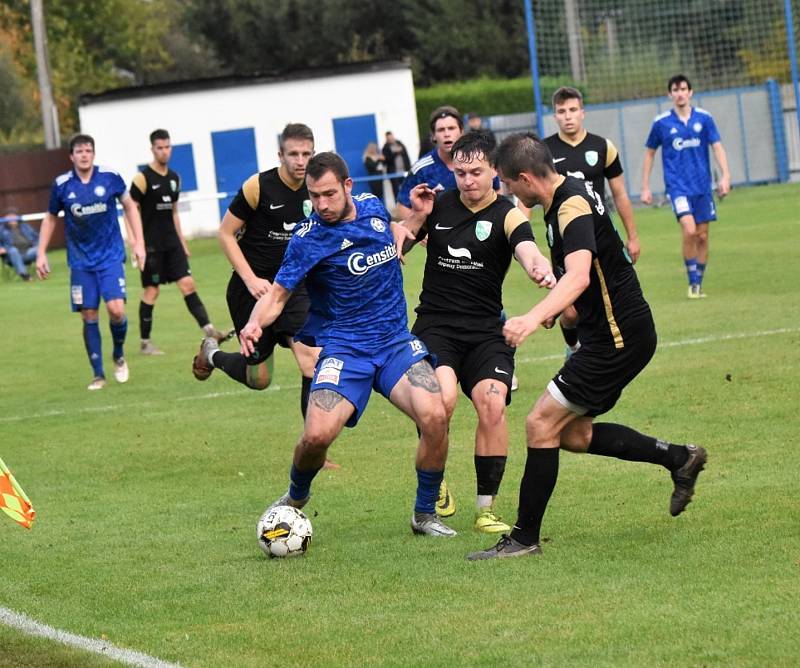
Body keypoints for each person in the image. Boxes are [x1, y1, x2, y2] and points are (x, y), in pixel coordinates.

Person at [467, 133, 707, 560]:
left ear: (525, 178)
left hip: (619, 337)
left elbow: (579, 277)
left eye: (506, 183)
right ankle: (678, 458)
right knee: (572, 434)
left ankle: (523, 539)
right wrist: (563, 307)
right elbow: (584, 278)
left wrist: (532, 317)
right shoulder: (562, 197)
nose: (507, 192)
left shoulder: (570, 205)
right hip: (611, 332)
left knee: (540, 423)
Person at [239, 152, 455, 538]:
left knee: (436, 416)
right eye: (314, 196)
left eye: (328, 195)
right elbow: (276, 295)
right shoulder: (309, 238)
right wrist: (254, 324)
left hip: (394, 343)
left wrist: (416, 219)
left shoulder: (373, 208)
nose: (321, 205)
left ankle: (424, 514)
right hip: (345, 349)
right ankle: (295, 498)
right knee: (316, 437)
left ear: (348, 186)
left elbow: (391, 247)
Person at [396, 131, 555, 534]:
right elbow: (398, 248)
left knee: (493, 403)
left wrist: (538, 266)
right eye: (460, 172)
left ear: (494, 173)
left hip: (486, 331)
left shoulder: (509, 214)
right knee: (443, 401)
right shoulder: (438, 203)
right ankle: (435, 479)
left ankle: (486, 509)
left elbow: (527, 248)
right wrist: (414, 217)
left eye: (476, 172)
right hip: (437, 326)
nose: (467, 180)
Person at [192, 124, 335, 467]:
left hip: (293, 288)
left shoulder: (318, 190)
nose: (301, 161)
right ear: (280, 155)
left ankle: (312, 450)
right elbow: (225, 235)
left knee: (311, 360)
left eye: (306, 154)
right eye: (294, 154)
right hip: (249, 291)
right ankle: (211, 354)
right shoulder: (259, 186)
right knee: (259, 378)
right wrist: (251, 278)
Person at [36, 134, 146, 390]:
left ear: (93, 154)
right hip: (81, 261)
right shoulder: (62, 184)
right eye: (79, 151)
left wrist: (138, 243)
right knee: (89, 314)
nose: (84, 154)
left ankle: (118, 354)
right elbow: (51, 217)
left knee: (117, 310)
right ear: (71, 156)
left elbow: (130, 207)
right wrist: (41, 253)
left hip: (110, 256)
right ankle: (98, 374)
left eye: (88, 150)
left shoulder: (109, 177)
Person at [544, 86, 641, 357]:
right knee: (570, 310)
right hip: (565, 239)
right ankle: (573, 346)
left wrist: (632, 236)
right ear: (555, 116)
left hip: (601, 237)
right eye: (561, 111)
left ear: (583, 113)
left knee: (605, 298)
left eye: (573, 110)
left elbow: (620, 194)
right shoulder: (545, 151)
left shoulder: (602, 147)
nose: (568, 116)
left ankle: (603, 349)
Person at [131, 129, 229, 355]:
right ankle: (145, 343)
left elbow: (174, 212)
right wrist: (136, 243)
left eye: (167, 147)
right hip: (151, 246)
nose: (164, 151)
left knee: (188, 284)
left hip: (172, 243)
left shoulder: (175, 178)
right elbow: (131, 210)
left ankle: (210, 330)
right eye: (160, 148)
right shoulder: (142, 179)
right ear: (152, 149)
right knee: (152, 291)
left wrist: (182, 242)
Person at [641, 74, 731, 299]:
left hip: (702, 187)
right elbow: (650, 154)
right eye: (675, 89)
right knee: (689, 230)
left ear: (690, 92)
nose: (680, 93)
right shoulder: (661, 123)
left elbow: (717, 147)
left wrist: (725, 176)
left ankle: (697, 284)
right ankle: (692, 283)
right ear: (669, 94)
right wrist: (645, 186)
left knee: (702, 236)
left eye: (683, 89)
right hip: (677, 187)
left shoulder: (705, 118)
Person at [0, 208, 38, 281]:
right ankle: (24, 275)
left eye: (13, 216)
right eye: (9, 217)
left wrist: (37, 245)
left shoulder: (25, 226)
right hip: (11, 256)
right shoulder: (1, 229)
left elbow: (36, 237)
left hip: (28, 252)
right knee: (13, 250)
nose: (11, 219)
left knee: (38, 249)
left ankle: (44, 271)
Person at [381, 131, 411, 199]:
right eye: (388, 138)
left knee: (407, 188)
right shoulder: (385, 148)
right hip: (393, 173)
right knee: (396, 191)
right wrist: (395, 152)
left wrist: (409, 168)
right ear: (386, 139)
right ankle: (398, 205)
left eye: (391, 137)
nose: (390, 139)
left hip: (404, 171)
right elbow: (386, 160)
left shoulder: (400, 144)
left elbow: (406, 157)